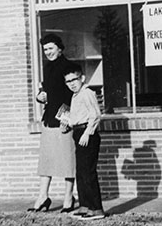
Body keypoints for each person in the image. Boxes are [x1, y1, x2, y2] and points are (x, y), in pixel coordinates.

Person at [28, 34, 76, 213]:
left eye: (50, 48)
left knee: (67, 160)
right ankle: (42, 197)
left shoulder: (70, 67)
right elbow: (46, 91)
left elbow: (72, 95)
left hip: (65, 119)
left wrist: (66, 119)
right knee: (46, 160)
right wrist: (40, 97)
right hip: (49, 119)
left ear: (59, 48)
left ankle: (68, 197)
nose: (47, 52)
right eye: (45, 49)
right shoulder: (47, 68)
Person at [63, 64, 105, 220]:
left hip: (88, 134)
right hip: (78, 132)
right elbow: (76, 117)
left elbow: (95, 115)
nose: (72, 83)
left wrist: (87, 133)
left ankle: (97, 209)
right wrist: (68, 124)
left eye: (74, 79)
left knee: (88, 172)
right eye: (68, 81)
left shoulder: (87, 93)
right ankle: (85, 205)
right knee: (81, 172)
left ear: (82, 78)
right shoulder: (75, 96)